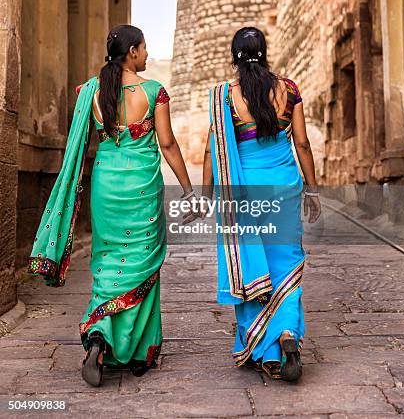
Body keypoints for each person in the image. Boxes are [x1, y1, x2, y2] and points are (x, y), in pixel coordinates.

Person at [28, 24, 195, 387]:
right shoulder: (154, 92)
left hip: (105, 186)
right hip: (140, 190)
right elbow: (166, 145)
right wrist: (188, 189)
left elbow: (81, 146)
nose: (148, 55)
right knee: (142, 262)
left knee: (107, 263)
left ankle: (100, 334)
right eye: (145, 48)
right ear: (133, 52)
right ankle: (136, 352)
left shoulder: (91, 91)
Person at [195, 26, 321, 381]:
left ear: (234, 56)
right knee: (287, 261)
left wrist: (206, 197)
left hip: (245, 193)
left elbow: (211, 150)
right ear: (265, 52)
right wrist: (312, 190)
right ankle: (286, 334)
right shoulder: (289, 89)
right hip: (284, 186)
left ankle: (264, 349)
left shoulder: (223, 97)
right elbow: (303, 144)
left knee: (252, 264)